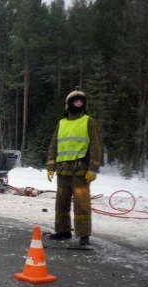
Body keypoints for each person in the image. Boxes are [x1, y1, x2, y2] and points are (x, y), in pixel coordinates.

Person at [46, 87, 103, 247]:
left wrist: (93, 168)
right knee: (61, 202)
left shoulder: (88, 121)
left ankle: (83, 235)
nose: (78, 103)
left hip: (81, 170)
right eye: (75, 101)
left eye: (81, 101)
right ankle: (63, 231)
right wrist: (50, 166)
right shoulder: (62, 123)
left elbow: (96, 146)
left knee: (81, 203)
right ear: (69, 104)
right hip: (63, 170)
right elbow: (54, 145)